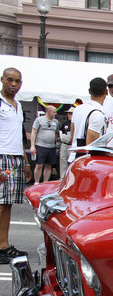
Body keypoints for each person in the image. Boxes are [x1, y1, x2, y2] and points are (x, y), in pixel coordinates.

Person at [0, 67, 28, 264]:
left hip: (16, 157)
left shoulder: (17, 105)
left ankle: (3, 244)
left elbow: (19, 136)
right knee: (1, 204)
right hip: (2, 157)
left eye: (17, 81)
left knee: (7, 204)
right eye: (9, 80)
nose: (13, 84)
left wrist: (25, 161)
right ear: (2, 79)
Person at [69, 77, 107, 162]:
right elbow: (91, 146)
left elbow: (72, 135)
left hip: (73, 158)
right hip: (86, 161)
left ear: (89, 91)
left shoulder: (77, 109)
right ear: (106, 92)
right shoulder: (97, 114)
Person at [29, 105, 60, 184]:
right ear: (48, 112)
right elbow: (34, 132)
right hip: (40, 145)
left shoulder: (56, 122)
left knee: (49, 165)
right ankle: (36, 182)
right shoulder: (39, 120)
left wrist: (54, 141)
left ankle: (45, 182)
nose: (55, 114)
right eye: (54, 112)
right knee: (39, 164)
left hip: (51, 146)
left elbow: (56, 133)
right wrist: (32, 146)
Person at [58, 107, 73, 176]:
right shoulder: (65, 123)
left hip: (71, 145)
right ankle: (62, 177)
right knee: (63, 160)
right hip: (64, 144)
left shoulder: (76, 123)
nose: (69, 115)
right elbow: (61, 132)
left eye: (71, 114)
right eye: (68, 114)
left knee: (71, 161)